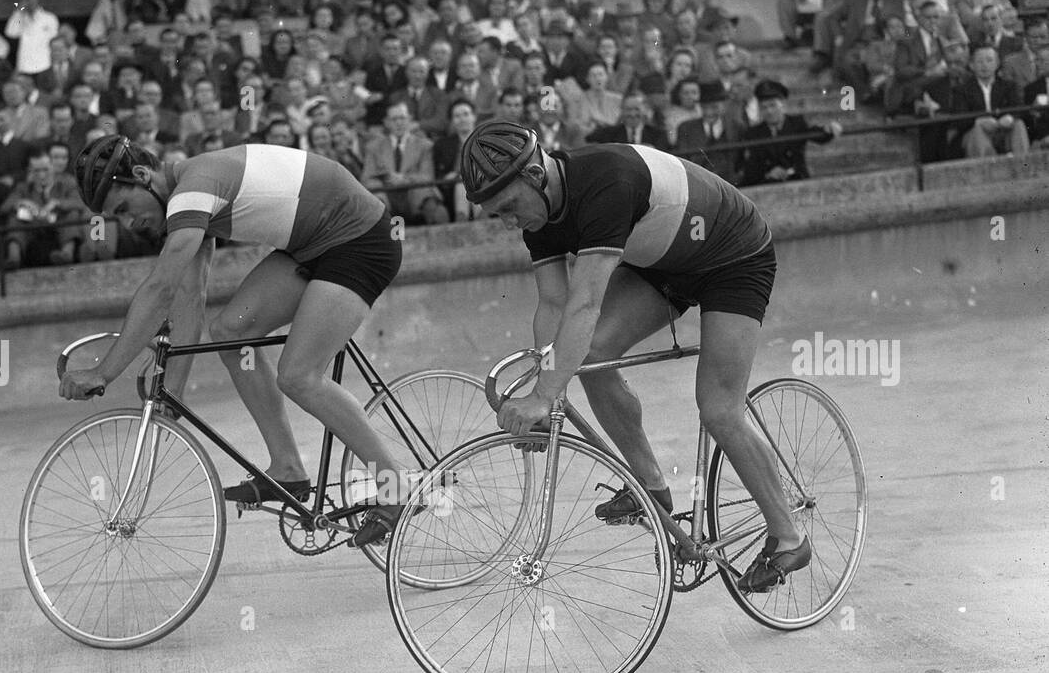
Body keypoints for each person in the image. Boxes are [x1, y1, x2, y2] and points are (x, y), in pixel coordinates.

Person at [459, 120, 810, 593]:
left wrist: (545, 394)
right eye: (495, 214)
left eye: (508, 208)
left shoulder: (606, 183)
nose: (508, 222)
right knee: (592, 353)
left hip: (733, 256)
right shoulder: (539, 214)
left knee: (719, 407)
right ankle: (651, 488)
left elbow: (584, 303)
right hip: (665, 264)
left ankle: (789, 537)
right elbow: (553, 306)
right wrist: (547, 388)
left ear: (537, 175)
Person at [58, 137, 408, 548]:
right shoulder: (189, 206)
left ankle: (395, 486)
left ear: (141, 176)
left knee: (298, 376)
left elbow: (160, 290)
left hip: (361, 241)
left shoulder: (195, 187)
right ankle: (288, 469)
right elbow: (189, 300)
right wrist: (174, 394)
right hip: (314, 246)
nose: (129, 223)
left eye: (123, 209)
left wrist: (104, 371)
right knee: (230, 333)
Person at [739, 79, 842, 185]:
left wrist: (829, 129)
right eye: (764, 107)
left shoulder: (796, 124)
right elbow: (751, 168)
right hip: (768, 184)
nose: (769, 111)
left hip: (797, 181)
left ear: (783, 104)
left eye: (773, 105)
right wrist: (768, 174)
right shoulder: (754, 133)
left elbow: (816, 134)